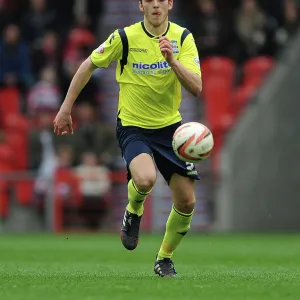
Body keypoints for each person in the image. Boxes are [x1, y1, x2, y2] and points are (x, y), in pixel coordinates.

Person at [53, 0, 202, 277]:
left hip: (171, 129)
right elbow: (88, 64)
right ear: (141, 5)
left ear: (170, 3)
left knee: (187, 202)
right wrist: (65, 108)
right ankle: (133, 210)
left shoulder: (183, 38)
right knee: (145, 179)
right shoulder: (124, 37)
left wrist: (172, 60)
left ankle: (164, 258)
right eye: (150, 0)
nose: (156, 4)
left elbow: (196, 87)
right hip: (133, 125)